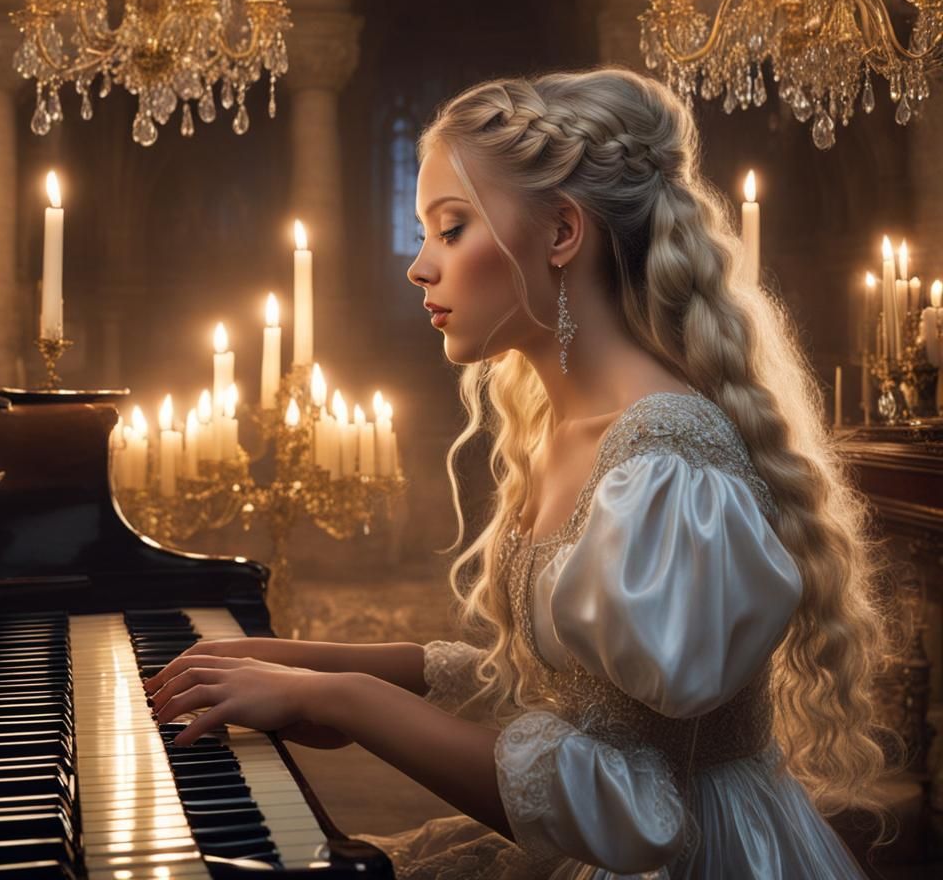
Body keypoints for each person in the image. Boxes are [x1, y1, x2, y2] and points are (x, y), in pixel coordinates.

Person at [145, 68, 905, 879]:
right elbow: (577, 696)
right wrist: (314, 662)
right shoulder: (572, 432)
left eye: (452, 227)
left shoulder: (664, 461)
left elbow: (639, 809)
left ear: (562, 233)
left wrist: (342, 702)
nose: (420, 267)